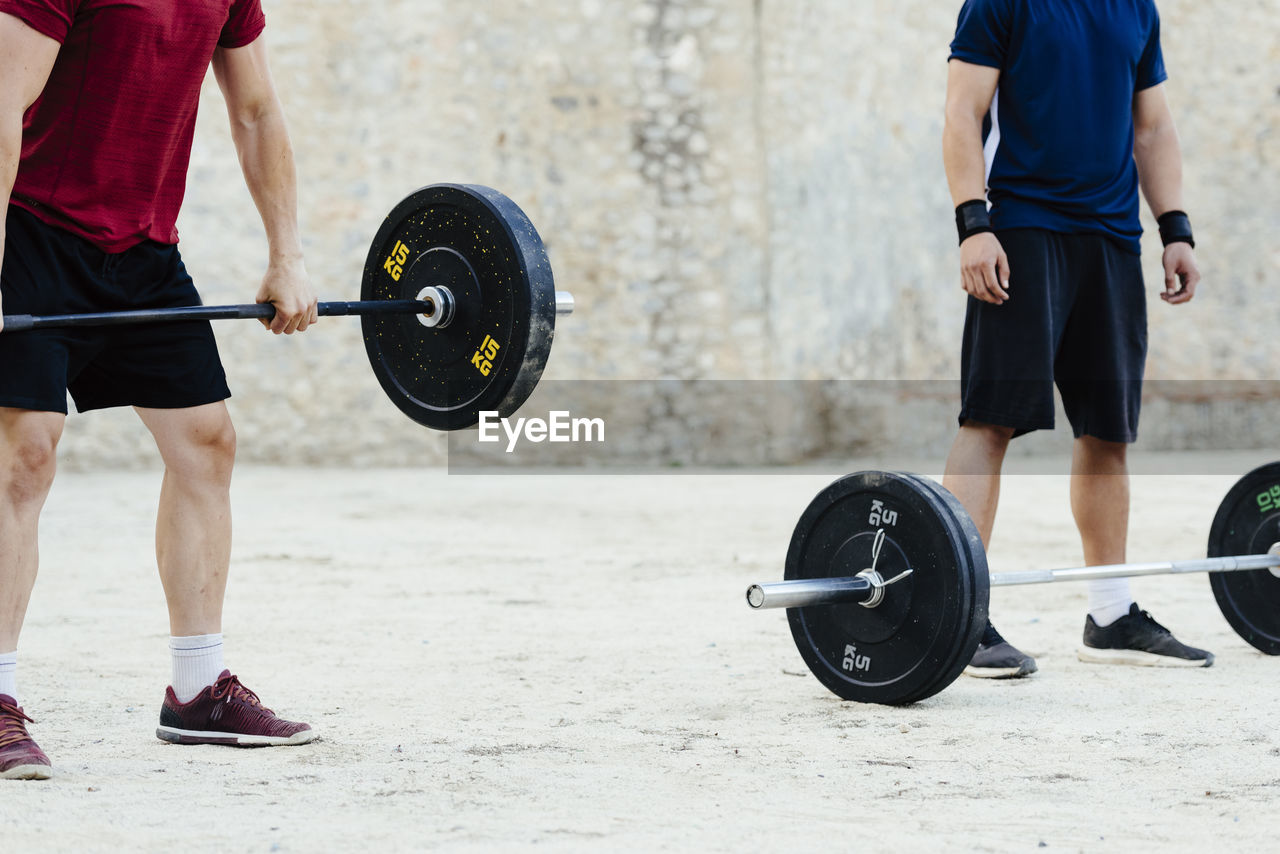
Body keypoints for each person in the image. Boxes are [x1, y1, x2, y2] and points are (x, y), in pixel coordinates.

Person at [0, 1, 319, 781]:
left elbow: (255, 110)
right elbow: (1, 103)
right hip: (31, 230)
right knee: (23, 451)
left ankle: (197, 689)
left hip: (142, 248)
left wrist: (287, 256)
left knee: (206, 443)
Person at [941, 0, 1212, 678]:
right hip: (1025, 230)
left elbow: (1151, 126)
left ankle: (1112, 612)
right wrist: (974, 225)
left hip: (1113, 240)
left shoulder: (1135, 8)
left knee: (1108, 432)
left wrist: (1174, 228)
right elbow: (962, 111)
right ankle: (957, 613)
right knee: (991, 418)